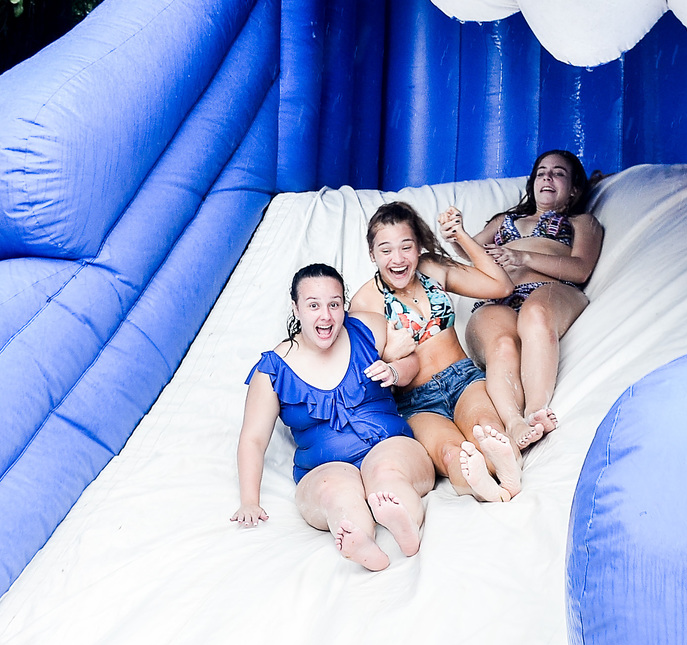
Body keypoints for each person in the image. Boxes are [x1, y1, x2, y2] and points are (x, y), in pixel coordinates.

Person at [231, 263, 436, 572]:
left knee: (386, 473)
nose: (325, 316)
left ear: (344, 305)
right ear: (296, 309)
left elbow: (410, 360)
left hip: (389, 444)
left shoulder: (368, 327)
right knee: (335, 493)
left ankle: (405, 524)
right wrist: (249, 500)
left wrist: (394, 371)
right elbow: (253, 439)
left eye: (334, 304)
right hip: (323, 467)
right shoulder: (273, 369)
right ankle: (360, 542)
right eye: (313, 305)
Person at [349, 201, 522, 503]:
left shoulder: (432, 268)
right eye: (386, 250)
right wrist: (388, 355)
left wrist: (461, 236)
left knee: (487, 429)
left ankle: (507, 473)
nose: (398, 259)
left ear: (418, 247)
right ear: (372, 254)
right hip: (416, 403)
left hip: (463, 380)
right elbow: (360, 374)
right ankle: (486, 490)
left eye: (406, 247)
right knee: (451, 453)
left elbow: (501, 286)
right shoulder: (366, 302)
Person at [452, 149, 604, 450]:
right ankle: (513, 422)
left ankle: (536, 410)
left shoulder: (580, 222)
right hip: (501, 298)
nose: (547, 177)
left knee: (536, 315)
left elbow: (581, 268)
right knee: (502, 344)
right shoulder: (504, 221)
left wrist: (522, 256)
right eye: (541, 173)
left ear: (574, 189)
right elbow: (467, 252)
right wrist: (457, 233)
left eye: (558, 173)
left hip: (552, 289)